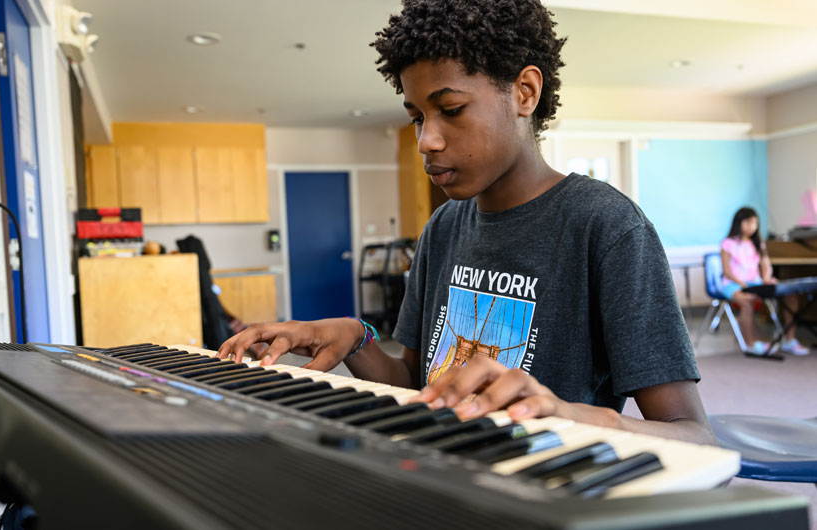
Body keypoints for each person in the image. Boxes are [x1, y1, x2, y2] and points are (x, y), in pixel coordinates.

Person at [219, 0, 715, 445]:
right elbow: (418, 383)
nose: (426, 141)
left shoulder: (606, 227)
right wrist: (357, 337)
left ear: (524, 92)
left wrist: (565, 414)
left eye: (450, 109)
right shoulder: (445, 226)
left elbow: (694, 436)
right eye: (417, 117)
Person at [720, 207, 809, 356]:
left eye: (755, 223)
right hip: (733, 284)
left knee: (790, 293)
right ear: (739, 222)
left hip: (756, 283)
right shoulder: (728, 243)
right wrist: (743, 285)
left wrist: (766, 278)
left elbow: (765, 264)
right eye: (748, 223)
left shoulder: (757, 243)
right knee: (746, 300)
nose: (752, 227)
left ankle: (790, 339)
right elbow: (726, 271)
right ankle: (751, 343)